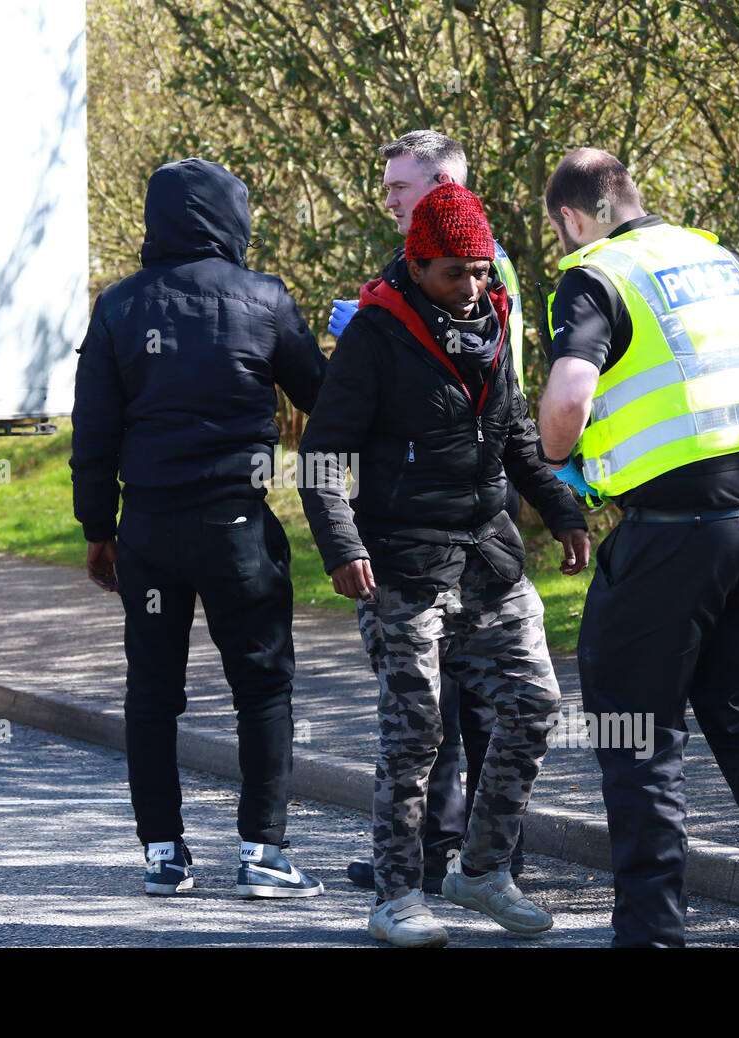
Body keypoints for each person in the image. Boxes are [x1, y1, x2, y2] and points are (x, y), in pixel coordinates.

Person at [536, 146, 739, 948]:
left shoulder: (595, 274)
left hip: (668, 543)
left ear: (572, 219)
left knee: (637, 741)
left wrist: (560, 457)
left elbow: (569, 398)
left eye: (561, 233)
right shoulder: (716, 256)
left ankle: (652, 938)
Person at [299, 182, 589, 947]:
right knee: (417, 731)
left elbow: (518, 433)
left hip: (489, 558)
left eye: (482, 270)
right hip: (401, 566)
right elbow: (323, 455)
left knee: (533, 708)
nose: (472, 287)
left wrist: (561, 509)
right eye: (455, 273)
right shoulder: (374, 335)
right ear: (417, 264)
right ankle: (396, 897)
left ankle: (483, 871)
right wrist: (342, 546)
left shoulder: (493, 321)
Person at [71, 158, 329, 899]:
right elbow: (324, 397)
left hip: (149, 531)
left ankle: (164, 853)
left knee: (152, 692)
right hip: (237, 528)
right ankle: (262, 852)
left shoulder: (118, 308)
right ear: (232, 218)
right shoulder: (265, 300)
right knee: (263, 688)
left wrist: (99, 527)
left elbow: (95, 431)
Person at [329, 130, 534, 895]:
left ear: (445, 185)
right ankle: (430, 856)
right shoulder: (413, 269)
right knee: (431, 702)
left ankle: (477, 857)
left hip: (470, 512)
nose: (388, 199)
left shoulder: (481, 269)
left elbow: (493, 391)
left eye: (399, 187)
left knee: (478, 700)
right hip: (419, 518)